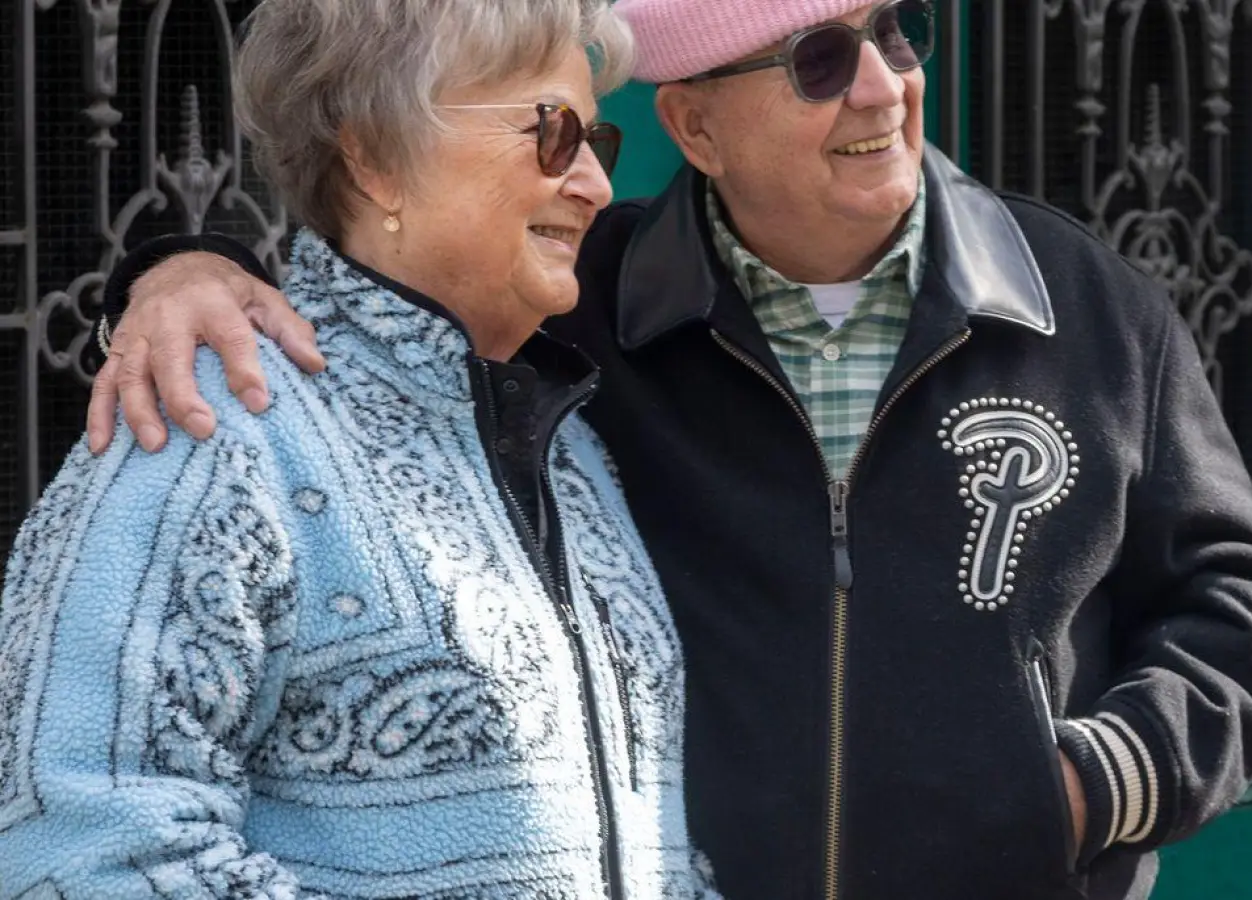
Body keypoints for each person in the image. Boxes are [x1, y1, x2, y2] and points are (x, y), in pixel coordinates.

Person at [83, 1, 1252, 898]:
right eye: (820, 60)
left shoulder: (1084, 305)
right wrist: (187, 268)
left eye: (896, 33)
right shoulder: (582, 315)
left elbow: (1242, 599)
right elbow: (388, 285)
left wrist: (1093, 786)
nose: (882, 88)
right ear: (694, 125)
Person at [0, 1, 720, 897]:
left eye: (598, 145)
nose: (594, 186)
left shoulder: (575, 459)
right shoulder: (211, 426)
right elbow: (83, 843)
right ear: (374, 157)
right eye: (551, 132)